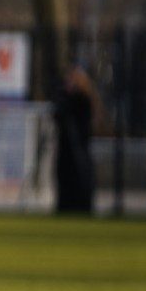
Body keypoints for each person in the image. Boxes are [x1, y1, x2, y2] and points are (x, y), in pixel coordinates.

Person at [54, 66, 97, 214]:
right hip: (66, 151)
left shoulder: (83, 101)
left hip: (79, 150)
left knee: (79, 179)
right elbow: (58, 117)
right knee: (64, 179)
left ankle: (81, 206)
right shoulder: (64, 100)